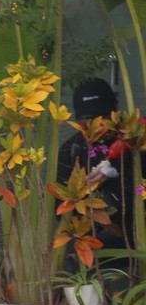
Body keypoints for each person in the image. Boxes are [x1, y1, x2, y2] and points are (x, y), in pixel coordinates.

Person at [58, 78, 139, 250]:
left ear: (116, 108)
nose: (95, 126)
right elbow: (60, 209)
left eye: (102, 117)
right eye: (87, 120)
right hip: (93, 248)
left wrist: (115, 167)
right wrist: (85, 201)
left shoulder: (138, 138)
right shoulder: (71, 150)